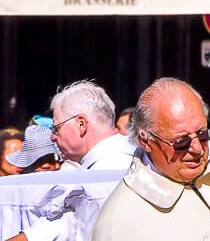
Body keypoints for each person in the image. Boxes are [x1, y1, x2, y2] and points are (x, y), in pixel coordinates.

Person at [90, 77, 210, 241]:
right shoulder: (119, 222)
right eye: (181, 143)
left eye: (203, 134)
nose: (196, 149)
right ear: (146, 141)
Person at [3, 81, 135, 241]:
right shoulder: (128, 160)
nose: (53, 136)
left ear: (81, 124)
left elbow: (75, 230)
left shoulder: (111, 169)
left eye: (56, 128)